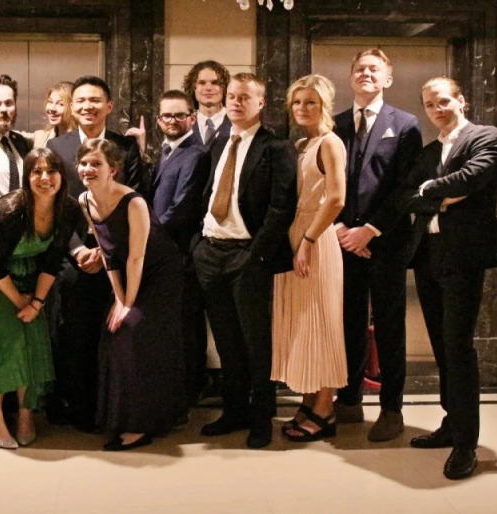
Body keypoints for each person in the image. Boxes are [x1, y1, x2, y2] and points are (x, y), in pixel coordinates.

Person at [399, 77, 497, 480]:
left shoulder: (485, 137)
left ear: (461, 100)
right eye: (429, 105)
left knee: (458, 348)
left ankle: (466, 444)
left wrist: (430, 188)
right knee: (442, 349)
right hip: (429, 255)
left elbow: (473, 178)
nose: (437, 109)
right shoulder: (430, 151)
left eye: (443, 101)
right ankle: (451, 422)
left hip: (464, 256)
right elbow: (406, 195)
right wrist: (439, 196)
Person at [192, 72, 297, 449]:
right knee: (226, 340)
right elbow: (206, 194)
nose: (236, 102)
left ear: (261, 103)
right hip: (211, 252)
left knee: (256, 342)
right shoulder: (220, 142)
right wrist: (198, 245)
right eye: (232, 96)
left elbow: (282, 207)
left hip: (247, 254)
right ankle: (234, 410)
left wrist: (256, 254)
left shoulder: (276, 147)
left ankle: (262, 418)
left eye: (244, 97)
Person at [0, 148, 83, 448]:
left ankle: (26, 414)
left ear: (62, 176)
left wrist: (36, 303)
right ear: (27, 177)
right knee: (4, 345)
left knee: (33, 344)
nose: (45, 178)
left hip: (32, 281)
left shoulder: (68, 208)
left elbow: (53, 260)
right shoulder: (9, 210)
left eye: (51, 171)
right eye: (36, 171)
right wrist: (21, 303)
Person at [46, 75, 147, 431]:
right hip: (74, 256)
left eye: (95, 100)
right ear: (72, 106)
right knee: (77, 335)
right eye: (81, 101)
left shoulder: (126, 146)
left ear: (109, 106)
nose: (88, 106)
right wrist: (77, 250)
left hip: (119, 255)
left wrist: (108, 252)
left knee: (118, 335)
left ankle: (114, 409)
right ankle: (81, 408)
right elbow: (53, 205)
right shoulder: (57, 147)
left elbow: (138, 199)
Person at [332, 48, 423, 442]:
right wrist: (339, 228)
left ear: (388, 78)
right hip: (342, 242)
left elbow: (407, 187)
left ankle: (391, 409)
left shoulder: (405, 124)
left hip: (386, 242)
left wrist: (369, 230)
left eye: (374, 69)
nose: (366, 74)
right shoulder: (334, 124)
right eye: (359, 69)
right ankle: (349, 400)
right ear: (350, 77)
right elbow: (324, 181)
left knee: (388, 327)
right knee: (348, 323)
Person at [77, 139, 186, 450]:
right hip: (127, 272)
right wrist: (118, 298)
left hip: (159, 274)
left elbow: (137, 257)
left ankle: (140, 425)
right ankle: (119, 417)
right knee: (111, 331)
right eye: (84, 163)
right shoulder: (84, 200)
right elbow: (108, 253)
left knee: (131, 330)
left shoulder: (133, 201)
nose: (88, 169)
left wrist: (128, 304)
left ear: (113, 169)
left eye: (96, 164)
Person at [272, 75, 348, 442]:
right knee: (303, 325)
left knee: (322, 321)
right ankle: (308, 401)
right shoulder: (302, 143)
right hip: (296, 236)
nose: (302, 108)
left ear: (324, 105)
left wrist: (307, 240)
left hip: (315, 239)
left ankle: (325, 409)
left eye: (311, 102)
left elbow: (336, 199)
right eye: (297, 102)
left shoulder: (330, 142)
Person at [149, 90, 211, 408]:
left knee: (187, 325)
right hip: (165, 253)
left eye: (179, 115)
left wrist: (146, 236)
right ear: (158, 120)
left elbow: (182, 207)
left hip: (181, 253)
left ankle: (190, 391)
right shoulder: (165, 151)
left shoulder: (196, 154)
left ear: (192, 117)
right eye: (167, 116)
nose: (173, 121)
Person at [183, 60, 231, 147]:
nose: (208, 88)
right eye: (202, 83)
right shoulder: (184, 125)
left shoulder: (237, 123)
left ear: (225, 88)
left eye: (215, 83)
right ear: (193, 88)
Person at [32, 81, 76, 148]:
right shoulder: (41, 138)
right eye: (50, 102)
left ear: (73, 107)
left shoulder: (84, 140)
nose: (52, 109)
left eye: (61, 104)